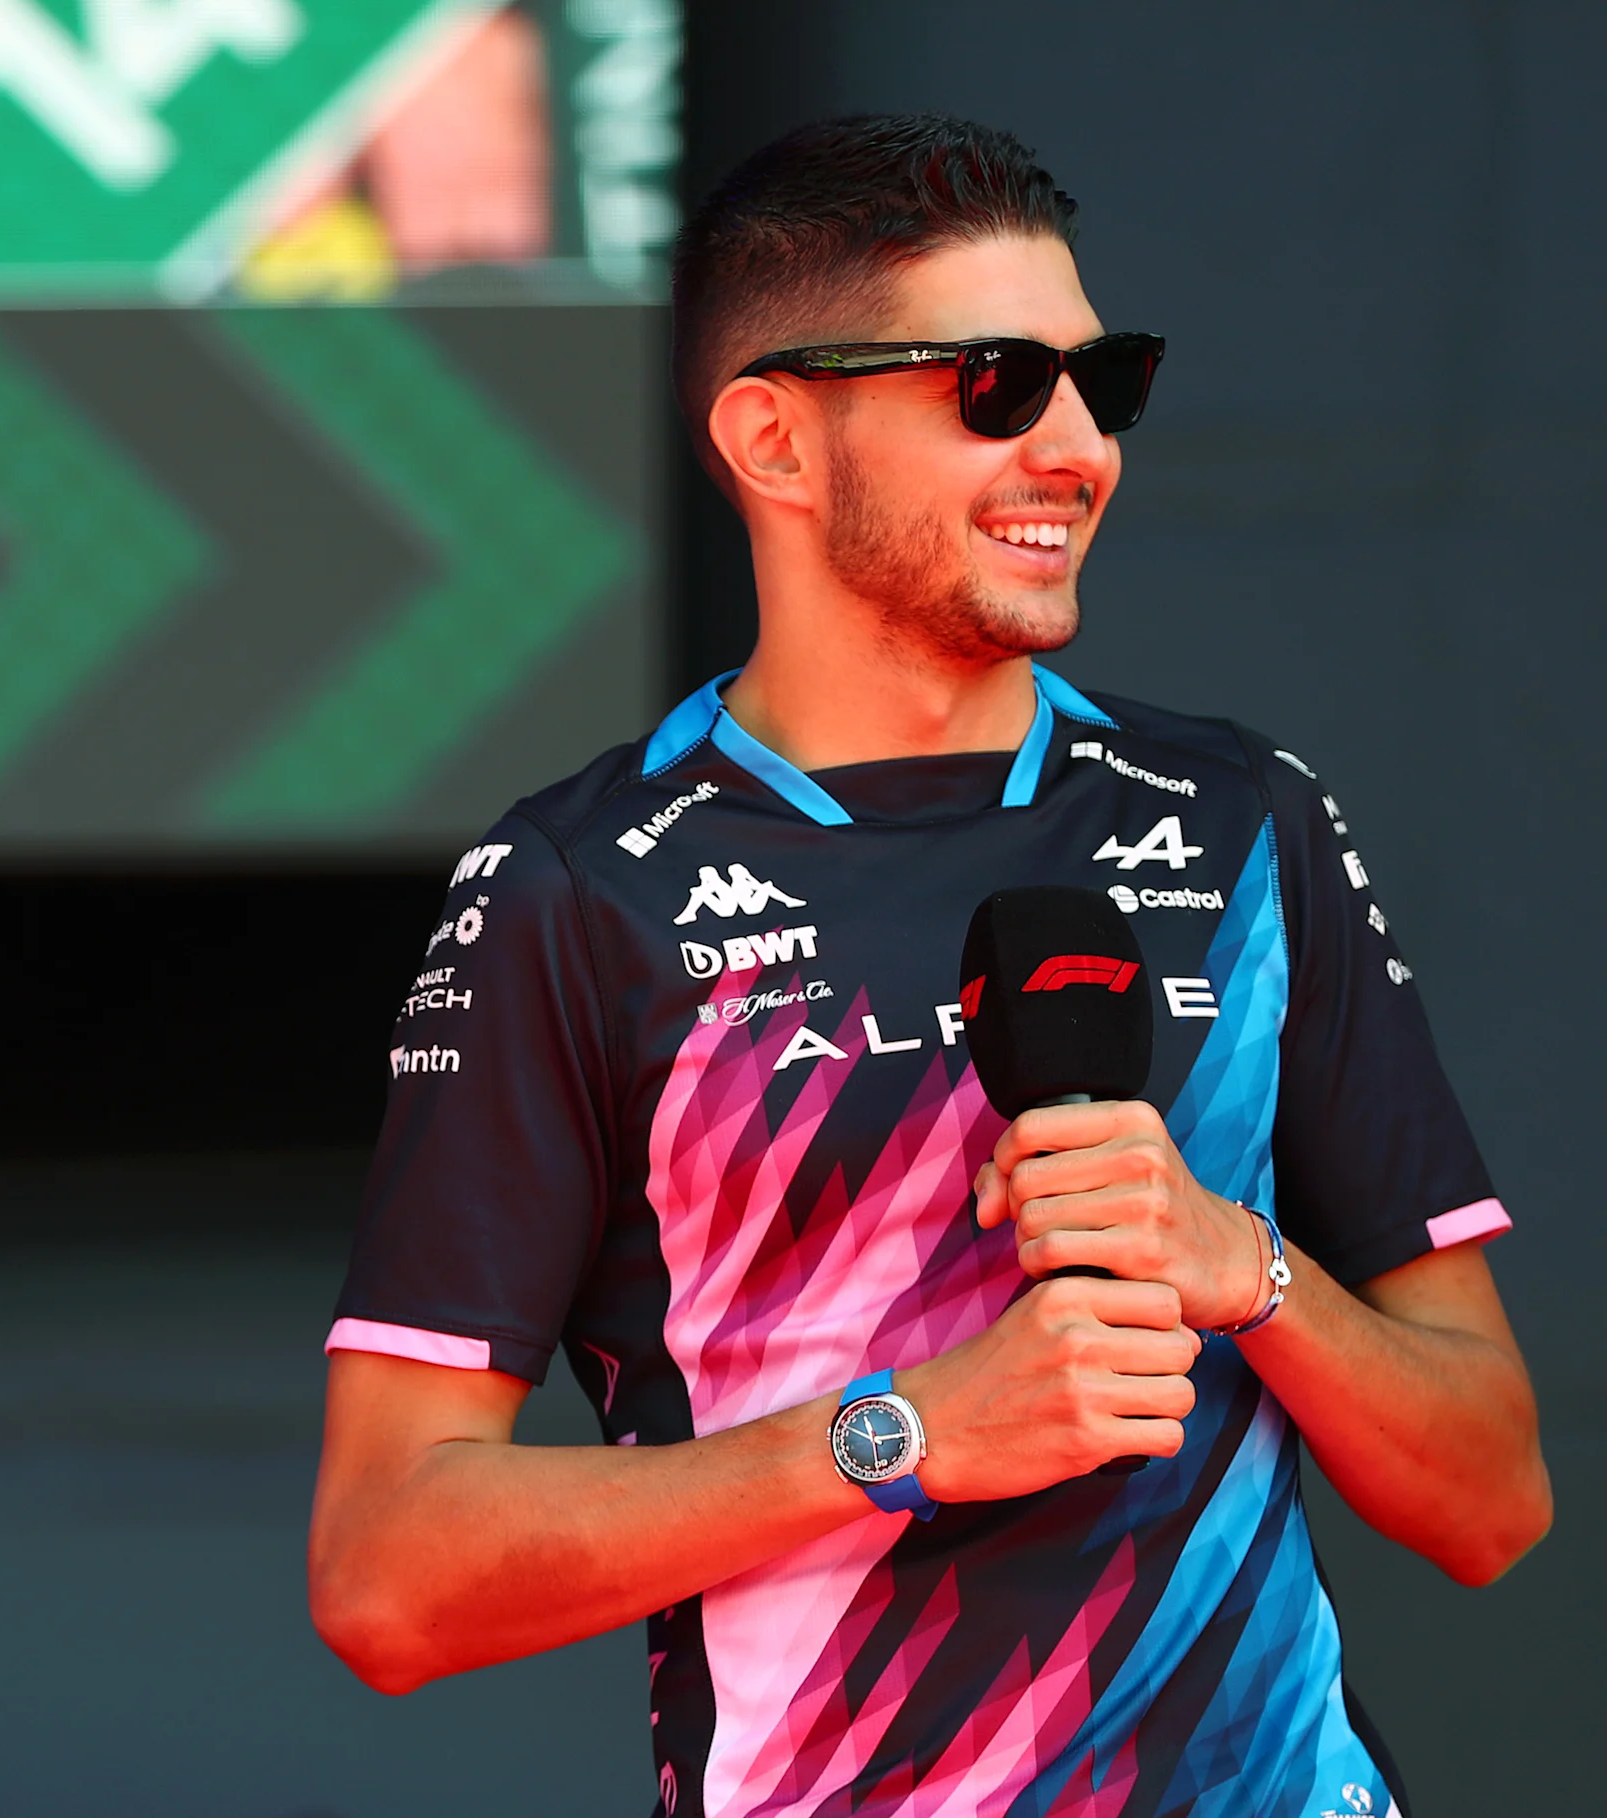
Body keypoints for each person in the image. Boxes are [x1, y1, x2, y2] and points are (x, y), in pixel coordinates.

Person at [307, 117, 1548, 1816]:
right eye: (994, 384)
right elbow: (387, 1571)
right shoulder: (573, 891)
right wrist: (902, 1436)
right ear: (775, 438)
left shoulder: (1245, 821)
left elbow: (1492, 1496)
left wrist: (1241, 1262)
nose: (1077, 444)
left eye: (1101, 379)